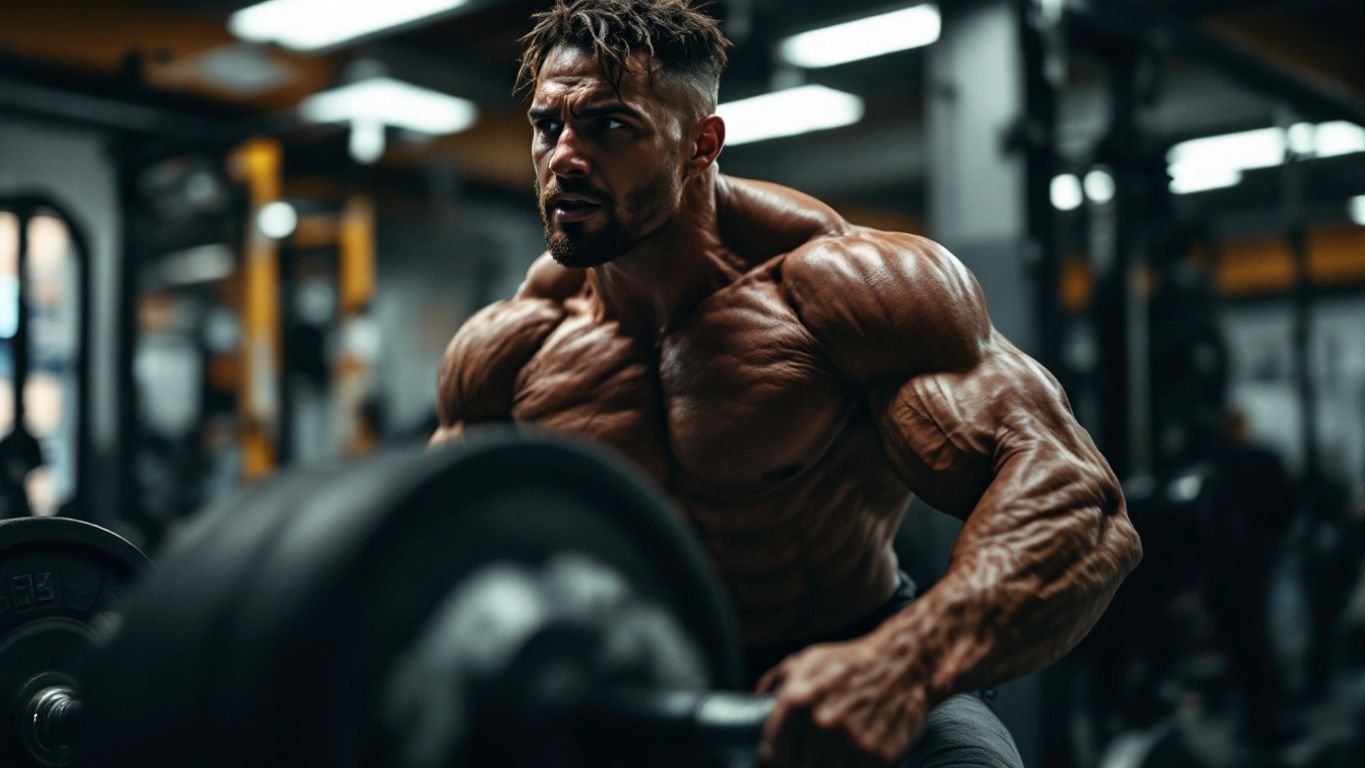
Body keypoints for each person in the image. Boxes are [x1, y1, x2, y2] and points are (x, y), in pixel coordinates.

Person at [431, 1, 1142, 764]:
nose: (563, 157)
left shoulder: (844, 289)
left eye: (608, 126)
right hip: (642, 687)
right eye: (547, 127)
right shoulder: (510, 344)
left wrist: (902, 665)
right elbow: (433, 555)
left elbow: (1081, 505)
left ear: (700, 144)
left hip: (862, 656)